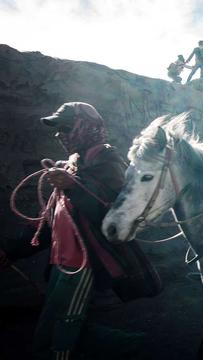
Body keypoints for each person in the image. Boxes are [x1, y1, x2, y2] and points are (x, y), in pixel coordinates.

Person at [9, 102, 154, 359]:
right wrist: (10, 251)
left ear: (86, 127)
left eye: (65, 127)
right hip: (60, 261)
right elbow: (50, 222)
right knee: (51, 322)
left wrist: (74, 186)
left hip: (83, 265)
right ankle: (129, 345)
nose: (59, 135)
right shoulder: (72, 163)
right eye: (57, 129)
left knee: (65, 325)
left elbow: (113, 214)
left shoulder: (108, 161)